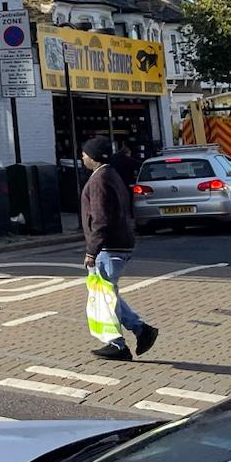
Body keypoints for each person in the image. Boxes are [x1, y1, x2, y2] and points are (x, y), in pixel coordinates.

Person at [81, 136, 158, 361]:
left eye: (85, 154)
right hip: (118, 244)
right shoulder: (111, 175)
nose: (82, 158)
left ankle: (118, 345)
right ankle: (142, 330)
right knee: (108, 294)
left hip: (108, 247)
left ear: (93, 156)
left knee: (106, 296)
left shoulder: (99, 180)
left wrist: (92, 250)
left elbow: (101, 219)